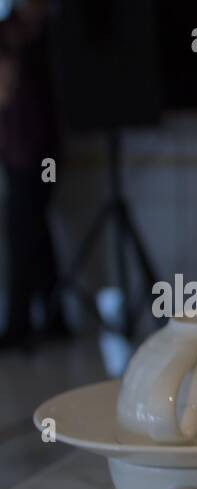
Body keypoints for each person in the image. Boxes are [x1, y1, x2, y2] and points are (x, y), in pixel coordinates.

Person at [0, 0, 64, 349]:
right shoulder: (14, 33)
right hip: (21, 152)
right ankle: (54, 320)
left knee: (25, 231)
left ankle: (21, 324)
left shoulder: (45, 35)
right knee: (35, 232)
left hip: (36, 152)